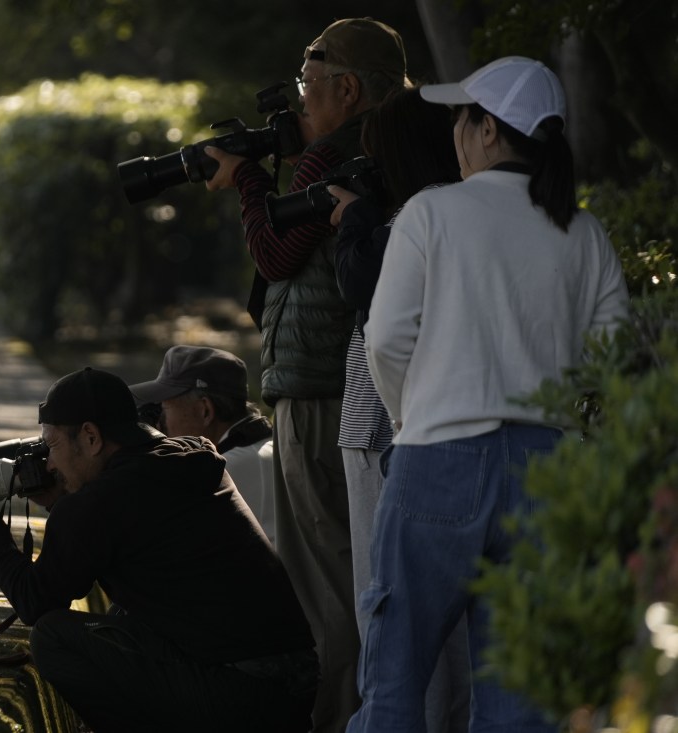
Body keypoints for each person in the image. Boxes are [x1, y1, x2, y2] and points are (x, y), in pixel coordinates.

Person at [348, 57, 630, 732]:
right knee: (521, 705)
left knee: (393, 685)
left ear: (489, 132)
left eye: (460, 117)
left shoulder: (432, 212)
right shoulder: (584, 232)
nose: (455, 133)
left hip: (436, 464)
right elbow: (612, 364)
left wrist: (410, 415)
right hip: (548, 471)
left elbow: (384, 339)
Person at [203, 17, 410, 732]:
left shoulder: (337, 161)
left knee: (322, 584)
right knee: (347, 572)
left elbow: (274, 255)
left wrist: (249, 178)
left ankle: (338, 719)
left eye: (308, 85)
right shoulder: (381, 149)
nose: (299, 102)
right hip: (340, 387)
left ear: (347, 89)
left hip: (321, 391)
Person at [0, 366, 317, 733]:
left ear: (90, 437)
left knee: (53, 638)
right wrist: (63, 501)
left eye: (51, 446)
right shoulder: (190, 457)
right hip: (298, 687)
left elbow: (34, 602)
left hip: (241, 696)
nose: (48, 463)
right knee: (121, 615)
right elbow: (111, 536)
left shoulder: (99, 504)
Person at [327, 86, 470, 732]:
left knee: (388, 606)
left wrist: (356, 220)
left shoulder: (409, 225)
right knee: (453, 617)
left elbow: (365, 298)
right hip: (440, 425)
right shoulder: (462, 218)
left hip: (384, 425)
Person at [128, 345, 277, 545]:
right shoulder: (274, 448)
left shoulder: (218, 476)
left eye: (164, 408)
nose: (159, 423)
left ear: (205, 410)